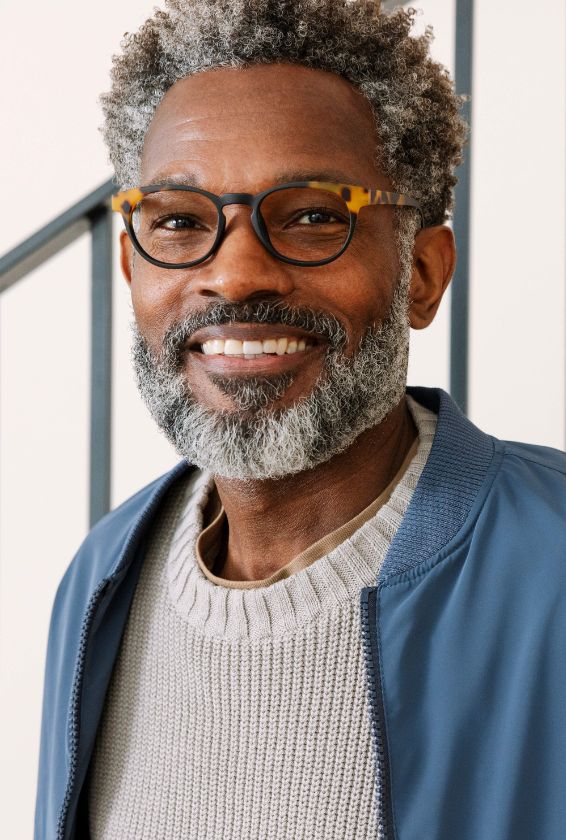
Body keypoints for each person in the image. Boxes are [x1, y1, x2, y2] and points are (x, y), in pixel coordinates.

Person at [34, 1, 566, 838]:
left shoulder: (554, 567)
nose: (238, 273)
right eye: (179, 220)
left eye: (315, 214)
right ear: (132, 269)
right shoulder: (100, 579)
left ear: (422, 273)